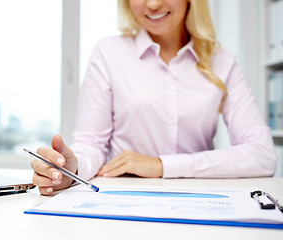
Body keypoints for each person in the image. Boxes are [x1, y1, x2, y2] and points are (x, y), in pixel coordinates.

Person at [30, 0, 277, 195]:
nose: (153, 4)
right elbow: (91, 143)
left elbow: (262, 155)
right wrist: (71, 169)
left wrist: (161, 165)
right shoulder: (109, 53)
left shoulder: (223, 62)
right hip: (122, 197)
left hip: (198, 197)